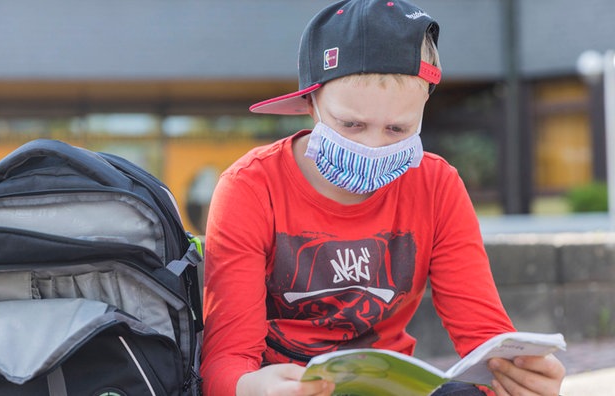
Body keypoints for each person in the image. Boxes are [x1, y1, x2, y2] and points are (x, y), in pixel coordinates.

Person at [200, 0, 566, 395]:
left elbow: (485, 338)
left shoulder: (436, 185)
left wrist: (521, 376)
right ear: (311, 103)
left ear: (424, 108)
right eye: (351, 124)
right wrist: (250, 388)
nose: (372, 146)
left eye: (397, 128)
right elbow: (225, 360)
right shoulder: (251, 188)